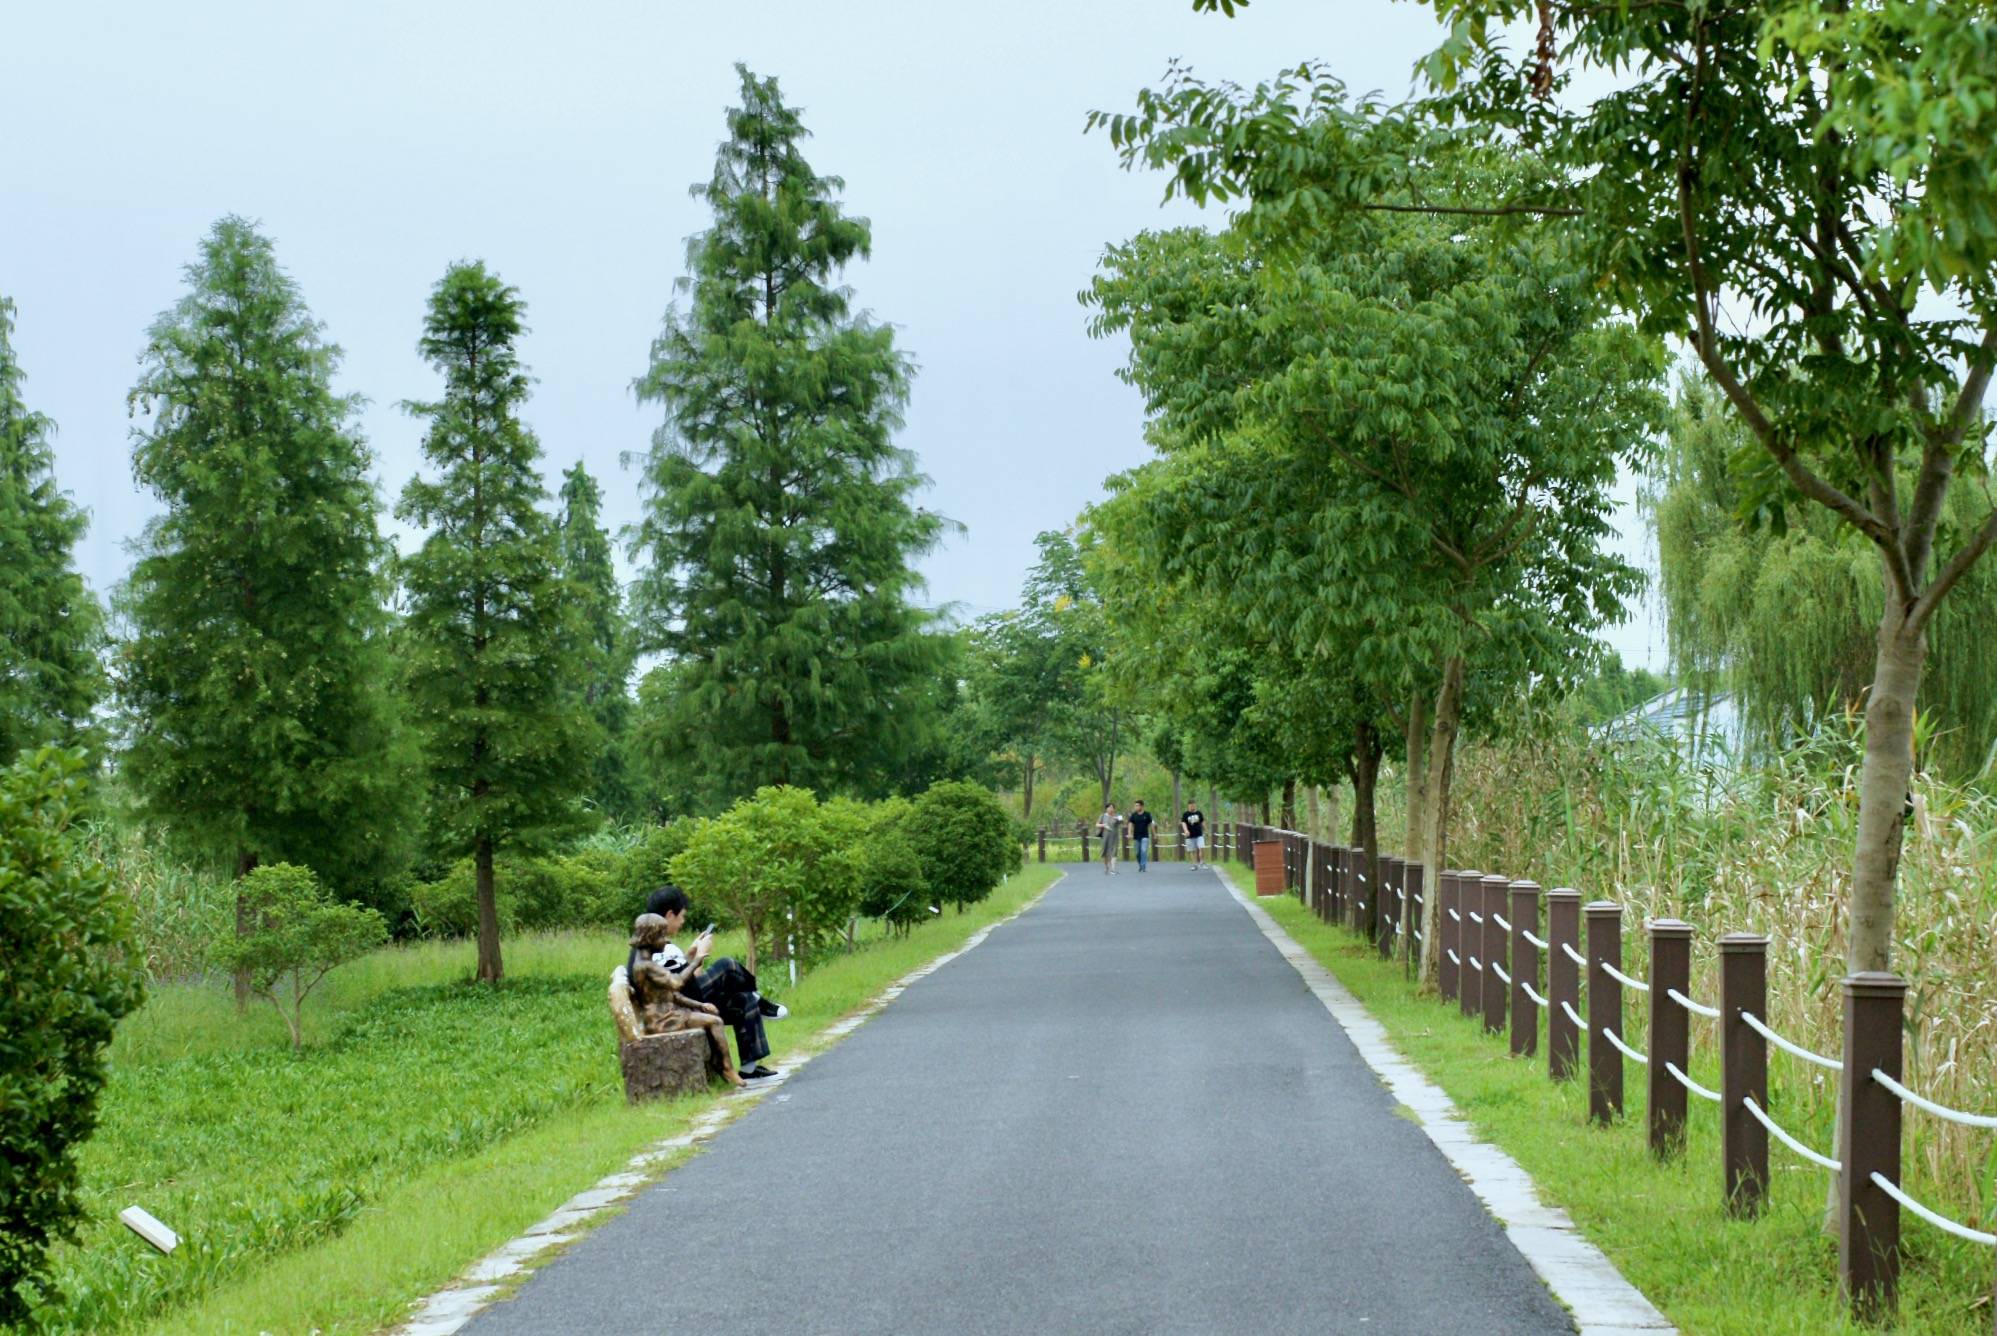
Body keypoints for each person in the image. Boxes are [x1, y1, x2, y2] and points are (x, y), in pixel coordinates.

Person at [644, 885, 784, 1080]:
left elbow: (682, 977)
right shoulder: (656, 945)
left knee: (743, 1000)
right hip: (680, 1006)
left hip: (685, 1001)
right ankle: (760, 1000)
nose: (683, 921)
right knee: (727, 965)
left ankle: (749, 1069)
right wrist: (699, 956)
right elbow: (684, 986)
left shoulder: (660, 943)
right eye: (682, 916)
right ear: (669, 915)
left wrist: (690, 955)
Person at [626, 914, 745, 1088]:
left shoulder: (646, 962)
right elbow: (677, 983)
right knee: (716, 1022)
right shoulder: (645, 966)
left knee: (711, 1017)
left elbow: (671, 994)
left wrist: (700, 1005)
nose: (666, 941)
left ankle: (723, 1067)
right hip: (662, 1020)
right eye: (662, 936)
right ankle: (726, 1068)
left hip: (668, 1013)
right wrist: (699, 958)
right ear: (650, 938)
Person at [1095, 803, 1123, 876]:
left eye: (1112, 807)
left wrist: (1117, 819)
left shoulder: (1117, 815)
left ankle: (1113, 869)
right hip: (1105, 837)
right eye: (1109, 807)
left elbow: (1122, 821)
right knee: (1105, 853)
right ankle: (1107, 867)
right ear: (1106, 808)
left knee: (1114, 852)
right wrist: (1103, 825)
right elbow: (1097, 824)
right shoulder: (1103, 816)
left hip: (1114, 837)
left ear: (1114, 809)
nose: (1111, 809)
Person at [1128, 800, 1154, 872]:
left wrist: (1154, 834)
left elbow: (1151, 824)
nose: (1136, 807)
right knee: (1137, 853)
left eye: (1137, 805)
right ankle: (1140, 865)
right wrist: (1129, 833)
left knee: (1144, 850)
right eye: (1135, 806)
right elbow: (1130, 824)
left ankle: (1143, 866)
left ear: (1142, 806)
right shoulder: (1133, 815)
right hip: (1136, 836)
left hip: (1145, 836)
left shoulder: (1147, 814)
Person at [1181, 801, 1207, 869]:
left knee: (1201, 847)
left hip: (1199, 834)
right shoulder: (1185, 814)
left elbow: (1202, 821)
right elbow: (1183, 823)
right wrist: (1186, 830)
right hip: (1190, 835)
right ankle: (1194, 864)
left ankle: (1202, 862)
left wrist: (1206, 829)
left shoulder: (1199, 813)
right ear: (1188, 806)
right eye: (1191, 806)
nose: (1193, 807)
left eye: (1194, 805)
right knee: (1192, 850)